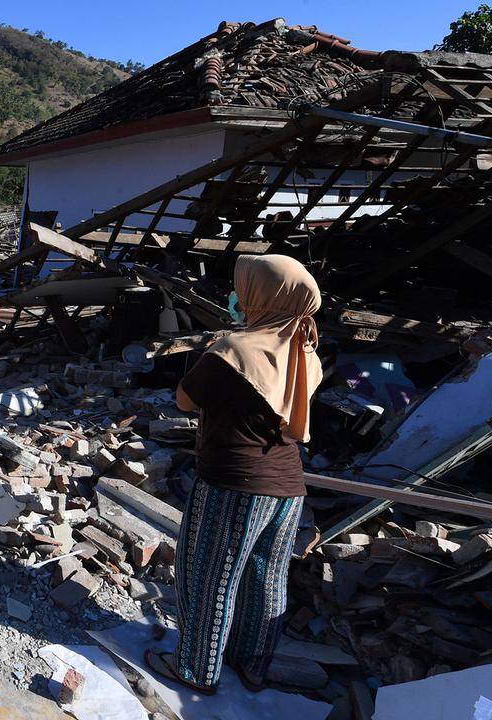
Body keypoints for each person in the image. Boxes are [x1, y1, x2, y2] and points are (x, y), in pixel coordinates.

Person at [146, 255, 323, 695]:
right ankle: (253, 665)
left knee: (209, 575)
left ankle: (195, 670)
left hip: (234, 483)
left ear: (262, 296)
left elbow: (186, 402)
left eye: (245, 289)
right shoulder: (304, 352)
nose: (238, 296)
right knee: (267, 577)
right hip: (288, 486)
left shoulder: (234, 349)